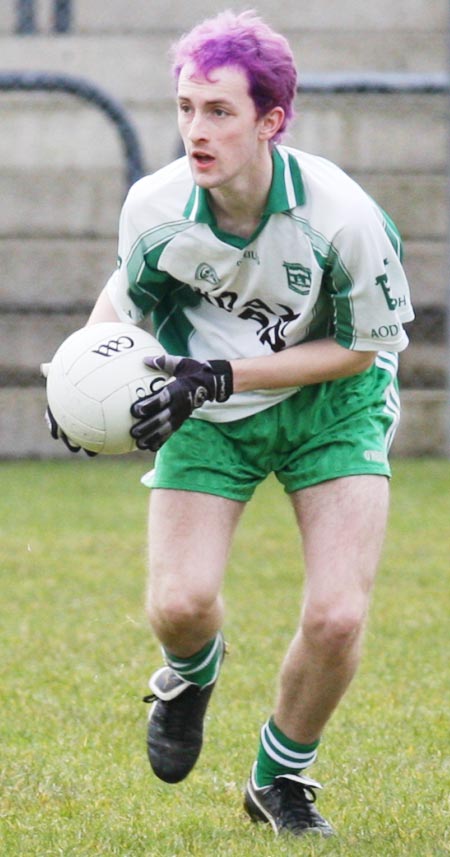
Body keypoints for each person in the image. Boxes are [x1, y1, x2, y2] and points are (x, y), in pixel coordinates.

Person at [48, 10, 414, 838]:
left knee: (337, 615)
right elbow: (125, 301)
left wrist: (224, 372)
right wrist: (74, 373)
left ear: (271, 121)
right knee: (180, 604)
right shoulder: (156, 204)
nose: (195, 131)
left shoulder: (343, 218)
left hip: (332, 403)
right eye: (185, 108)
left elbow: (360, 352)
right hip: (204, 405)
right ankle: (189, 674)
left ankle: (280, 779)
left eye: (219, 112)